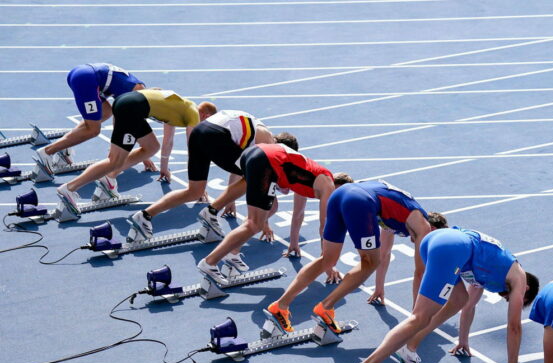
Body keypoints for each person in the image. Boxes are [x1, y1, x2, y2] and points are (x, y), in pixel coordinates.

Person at [352, 226, 539, 363]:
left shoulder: (491, 270)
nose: (508, 299)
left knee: (458, 299)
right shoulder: (518, 279)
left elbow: (468, 305)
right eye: (519, 298)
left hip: (436, 241)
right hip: (452, 248)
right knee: (420, 317)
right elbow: (514, 327)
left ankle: (410, 348)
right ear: (526, 289)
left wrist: (463, 341)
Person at [264, 180, 446, 334]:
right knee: (369, 261)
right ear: (433, 230)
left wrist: (379, 287)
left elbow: (384, 253)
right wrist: (417, 318)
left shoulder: (403, 217)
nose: (418, 244)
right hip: (360, 202)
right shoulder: (422, 226)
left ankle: (281, 305)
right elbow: (420, 273)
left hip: (341, 194)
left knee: (328, 260)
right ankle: (326, 307)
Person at [196, 142, 353, 281]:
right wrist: (328, 264)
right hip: (268, 162)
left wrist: (293, 242)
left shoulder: (312, 179)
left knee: (264, 210)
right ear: (339, 187)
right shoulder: (328, 186)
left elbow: (298, 214)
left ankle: (214, 216)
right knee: (254, 224)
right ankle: (210, 262)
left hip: (255, 153)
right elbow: (324, 227)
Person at [126, 110, 285, 245]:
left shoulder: (256, 130)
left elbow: (237, 168)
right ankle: (211, 212)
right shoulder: (269, 142)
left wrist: (230, 200)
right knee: (252, 175)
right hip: (216, 134)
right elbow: (254, 177)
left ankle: (144, 216)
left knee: (194, 191)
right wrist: (262, 220)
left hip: (199, 131)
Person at [55, 89, 216, 215]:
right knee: (114, 160)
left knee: (152, 147)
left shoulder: (182, 107)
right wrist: (197, 186)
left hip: (128, 102)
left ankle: (108, 181)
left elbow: (168, 142)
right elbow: (194, 151)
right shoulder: (194, 115)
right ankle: (69, 189)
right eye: (208, 123)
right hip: (132, 108)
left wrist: (164, 168)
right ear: (205, 115)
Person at [35, 63, 149, 172]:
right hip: (86, 80)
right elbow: (121, 125)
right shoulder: (137, 95)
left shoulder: (140, 92)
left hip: (85, 75)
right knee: (93, 130)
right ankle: (47, 152)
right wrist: (142, 155)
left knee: (106, 112)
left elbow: (122, 121)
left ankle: (64, 146)